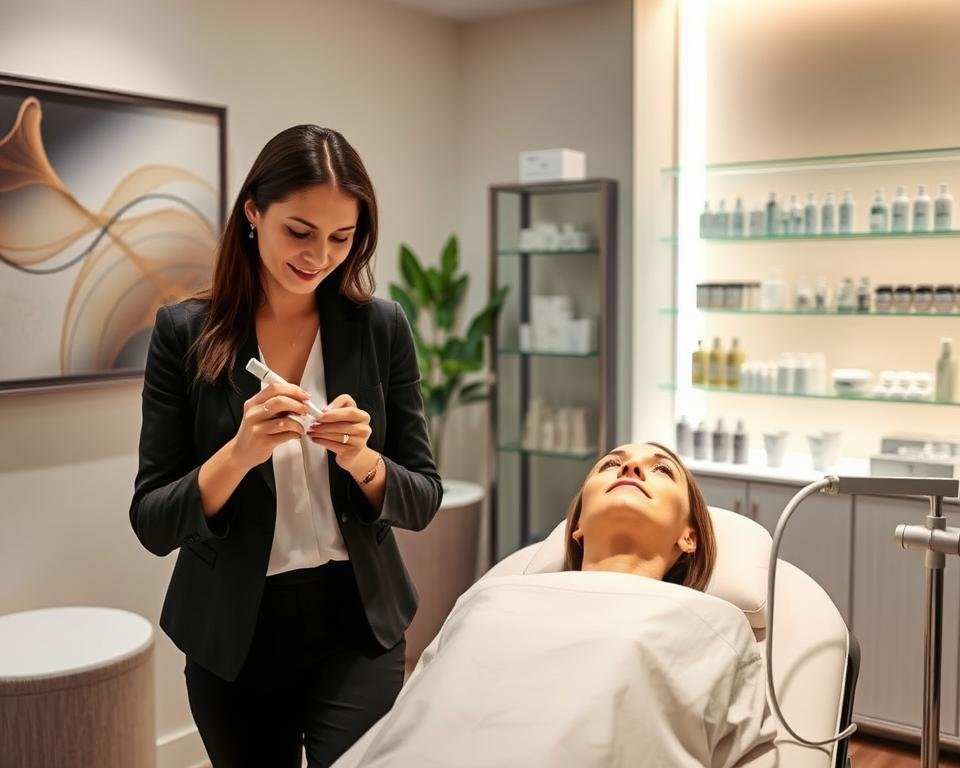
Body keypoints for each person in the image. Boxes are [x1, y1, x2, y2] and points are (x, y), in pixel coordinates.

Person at [129, 124, 443, 768]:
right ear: (253, 211)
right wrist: (239, 452)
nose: (319, 255)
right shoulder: (184, 333)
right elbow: (153, 521)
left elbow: (422, 499)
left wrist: (363, 460)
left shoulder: (380, 328)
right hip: (235, 633)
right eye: (299, 232)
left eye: (341, 237)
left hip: (358, 621)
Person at [333, 442, 777, 768]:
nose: (633, 468)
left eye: (661, 470)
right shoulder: (490, 598)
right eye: (611, 464)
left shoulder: (711, 623)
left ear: (689, 536)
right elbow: (413, 711)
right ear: (578, 524)